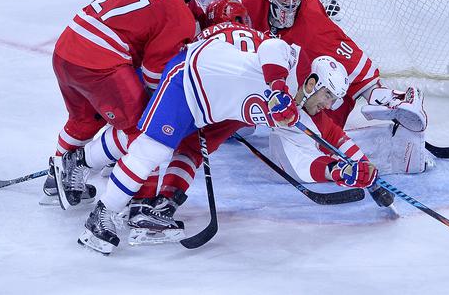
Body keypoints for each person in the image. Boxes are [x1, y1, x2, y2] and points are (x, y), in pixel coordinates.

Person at [73, 21, 376, 254]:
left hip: (210, 111)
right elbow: (272, 47)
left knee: (174, 150)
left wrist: (337, 171)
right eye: (327, 95)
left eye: (333, 100)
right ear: (313, 82)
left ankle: (118, 185)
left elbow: (303, 161)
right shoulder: (293, 60)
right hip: (189, 78)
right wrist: (278, 88)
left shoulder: (298, 115)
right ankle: (102, 214)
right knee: (151, 149)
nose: (329, 105)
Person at [47, 0, 211, 208]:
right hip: (100, 66)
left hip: (66, 48)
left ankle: (56, 178)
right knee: (146, 128)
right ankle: (141, 200)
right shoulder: (179, 15)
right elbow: (155, 75)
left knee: (83, 119)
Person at [241, 0, 430, 175]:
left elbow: (347, 57)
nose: (292, 3)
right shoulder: (250, 1)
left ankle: (396, 117)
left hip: (317, 92)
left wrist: (376, 93)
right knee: (244, 123)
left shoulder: (310, 19)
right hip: (275, 77)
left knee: (318, 141)